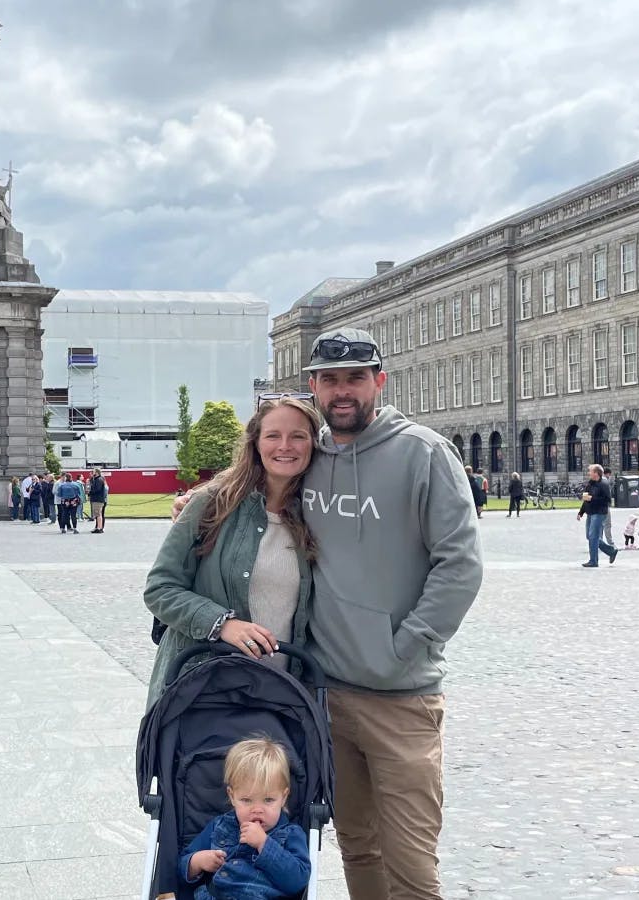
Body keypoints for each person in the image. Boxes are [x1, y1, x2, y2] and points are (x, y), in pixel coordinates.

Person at [174, 326, 482, 899]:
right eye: (330, 379)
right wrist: (193, 504)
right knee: (357, 848)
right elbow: (259, 470)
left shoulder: (424, 453)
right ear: (313, 385)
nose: (343, 391)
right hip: (323, 698)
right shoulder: (311, 457)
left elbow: (460, 565)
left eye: (356, 379)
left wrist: (405, 646)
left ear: (379, 381)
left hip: (401, 698)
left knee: (412, 865)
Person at [145, 397, 320, 707]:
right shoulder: (212, 503)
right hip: (205, 691)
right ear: (255, 443)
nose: (285, 446)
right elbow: (160, 588)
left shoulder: (316, 514)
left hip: (281, 695)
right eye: (273, 436)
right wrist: (222, 624)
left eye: (298, 436)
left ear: (312, 444)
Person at [178, 737, 312, 900]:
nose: (257, 810)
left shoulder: (291, 834)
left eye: (268, 800)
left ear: (283, 798)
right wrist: (197, 861)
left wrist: (264, 844)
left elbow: (298, 881)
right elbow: (181, 866)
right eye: (246, 800)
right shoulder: (220, 826)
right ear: (232, 796)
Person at [576, 464, 618, 567]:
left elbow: (607, 500)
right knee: (590, 536)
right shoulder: (590, 484)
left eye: (590, 471)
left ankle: (593, 561)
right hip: (590, 512)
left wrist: (592, 499)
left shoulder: (604, 484)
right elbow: (586, 498)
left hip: (599, 513)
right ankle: (611, 551)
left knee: (593, 536)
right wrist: (581, 512)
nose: (588, 473)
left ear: (596, 473)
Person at [88, 467, 108, 533]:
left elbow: (97, 489)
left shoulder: (98, 480)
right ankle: (99, 527)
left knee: (98, 514)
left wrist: (90, 492)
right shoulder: (97, 479)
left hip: (98, 499)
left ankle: (99, 528)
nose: (92, 473)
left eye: (93, 472)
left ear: (96, 472)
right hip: (97, 499)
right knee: (98, 514)